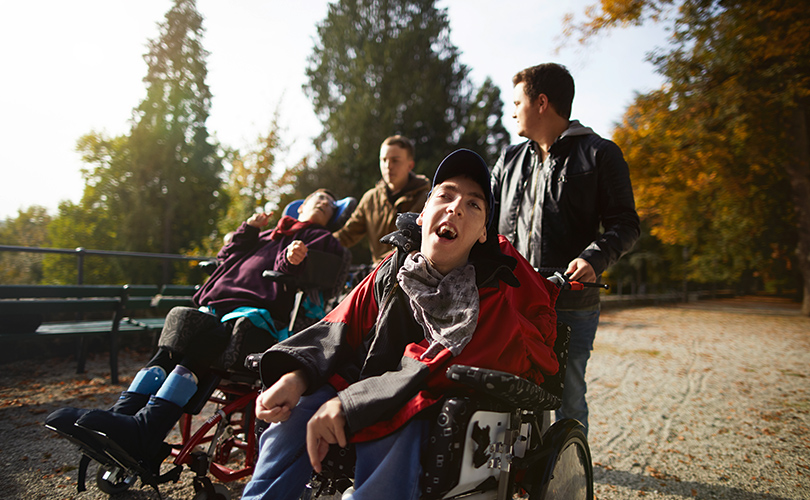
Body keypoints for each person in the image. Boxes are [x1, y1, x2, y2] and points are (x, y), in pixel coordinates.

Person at [241, 149, 560, 500]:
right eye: (446, 195)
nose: (455, 208)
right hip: (370, 384)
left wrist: (350, 404)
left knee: (394, 426)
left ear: (484, 232)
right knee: (296, 410)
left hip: (429, 398)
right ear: (423, 215)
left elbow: (433, 361)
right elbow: (341, 323)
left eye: (474, 205)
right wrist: (295, 376)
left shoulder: (490, 291)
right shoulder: (393, 269)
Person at [45, 189, 346, 471]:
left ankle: (148, 428)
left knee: (211, 337)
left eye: (330, 205)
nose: (323, 203)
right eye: (317, 198)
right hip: (216, 303)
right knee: (180, 324)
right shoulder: (266, 234)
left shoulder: (322, 239)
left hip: (257, 312)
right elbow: (225, 258)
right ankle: (120, 416)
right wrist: (248, 230)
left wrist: (293, 257)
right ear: (301, 205)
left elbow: (313, 272)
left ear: (332, 217)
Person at [490, 62, 641, 435]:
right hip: (512, 302)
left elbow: (626, 224)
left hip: (571, 305)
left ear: (541, 102)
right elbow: (483, 220)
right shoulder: (508, 161)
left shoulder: (600, 154)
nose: (511, 111)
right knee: (507, 397)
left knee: (569, 398)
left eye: (516, 102)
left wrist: (594, 257)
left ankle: (569, 482)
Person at [333, 135, 430, 263]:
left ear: (410, 165)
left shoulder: (427, 199)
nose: (388, 166)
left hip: (414, 274)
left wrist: (380, 265)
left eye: (395, 160)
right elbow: (346, 235)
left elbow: (416, 242)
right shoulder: (370, 199)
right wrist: (312, 243)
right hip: (378, 276)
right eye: (383, 160)